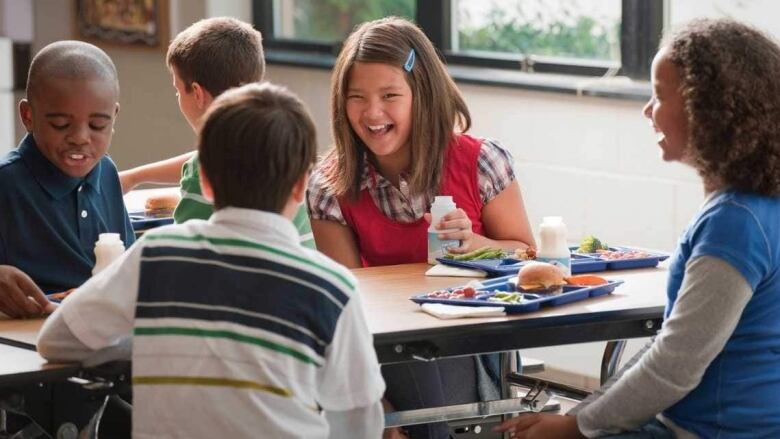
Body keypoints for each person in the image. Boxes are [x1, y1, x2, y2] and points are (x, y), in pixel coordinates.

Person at [38, 82, 386, 438]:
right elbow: (359, 421)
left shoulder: (156, 255)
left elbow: (55, 341)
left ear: (204, 181)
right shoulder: (332, 288)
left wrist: (155, 338)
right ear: (302, 185)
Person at [494, 18, 780, 439]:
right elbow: (671, 344)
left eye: (659, 96)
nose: (648, 110)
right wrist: (581, 417)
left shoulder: (733, 224)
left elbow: (674, 364)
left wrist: (575, 427)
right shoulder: (758, 206)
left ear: (708, 108)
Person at [307, 17, 535, 439]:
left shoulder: (482, 162)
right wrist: (372, 404)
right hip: (375, 353)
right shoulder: (329, 184)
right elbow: (341, 305)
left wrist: (478, 245)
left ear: (423, 94)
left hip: (468, 345)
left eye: (390, 95)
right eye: (357, 97)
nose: (372, 113)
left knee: (420, 366)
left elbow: (528, 256)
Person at [117, 17, 315, 248]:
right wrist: (135, 177)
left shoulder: (203, 171)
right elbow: (198, 158)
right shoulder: (279, 148)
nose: (178, 99)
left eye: (178, 91)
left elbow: (184, 257)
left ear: (197, 93)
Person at [0, 40, 134, 318]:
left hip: (99, 330)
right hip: (28, 343)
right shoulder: (7, 184)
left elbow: (128, 267)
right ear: (28, 116)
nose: (80, 138)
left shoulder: (106, 171)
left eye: (98, 125)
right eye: (60, 125)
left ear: (114, 117)